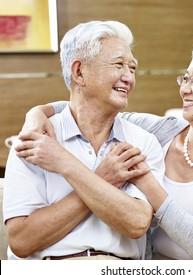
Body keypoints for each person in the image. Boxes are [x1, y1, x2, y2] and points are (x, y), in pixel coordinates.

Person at [17, 34, 193, 259]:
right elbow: (90, 106)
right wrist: (38, 112)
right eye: (185, 78)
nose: (184, 89)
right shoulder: (161, 130)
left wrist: (145, 180)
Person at [2, 20, 166, 260]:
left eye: (132, 68)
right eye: (118, 65)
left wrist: (65, 163)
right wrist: (103, 179)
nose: (128, 78)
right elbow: (21, 240)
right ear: (79, 72)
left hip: (119, 270)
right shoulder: (36, 139)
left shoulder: (143, 142)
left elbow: (137, 223)